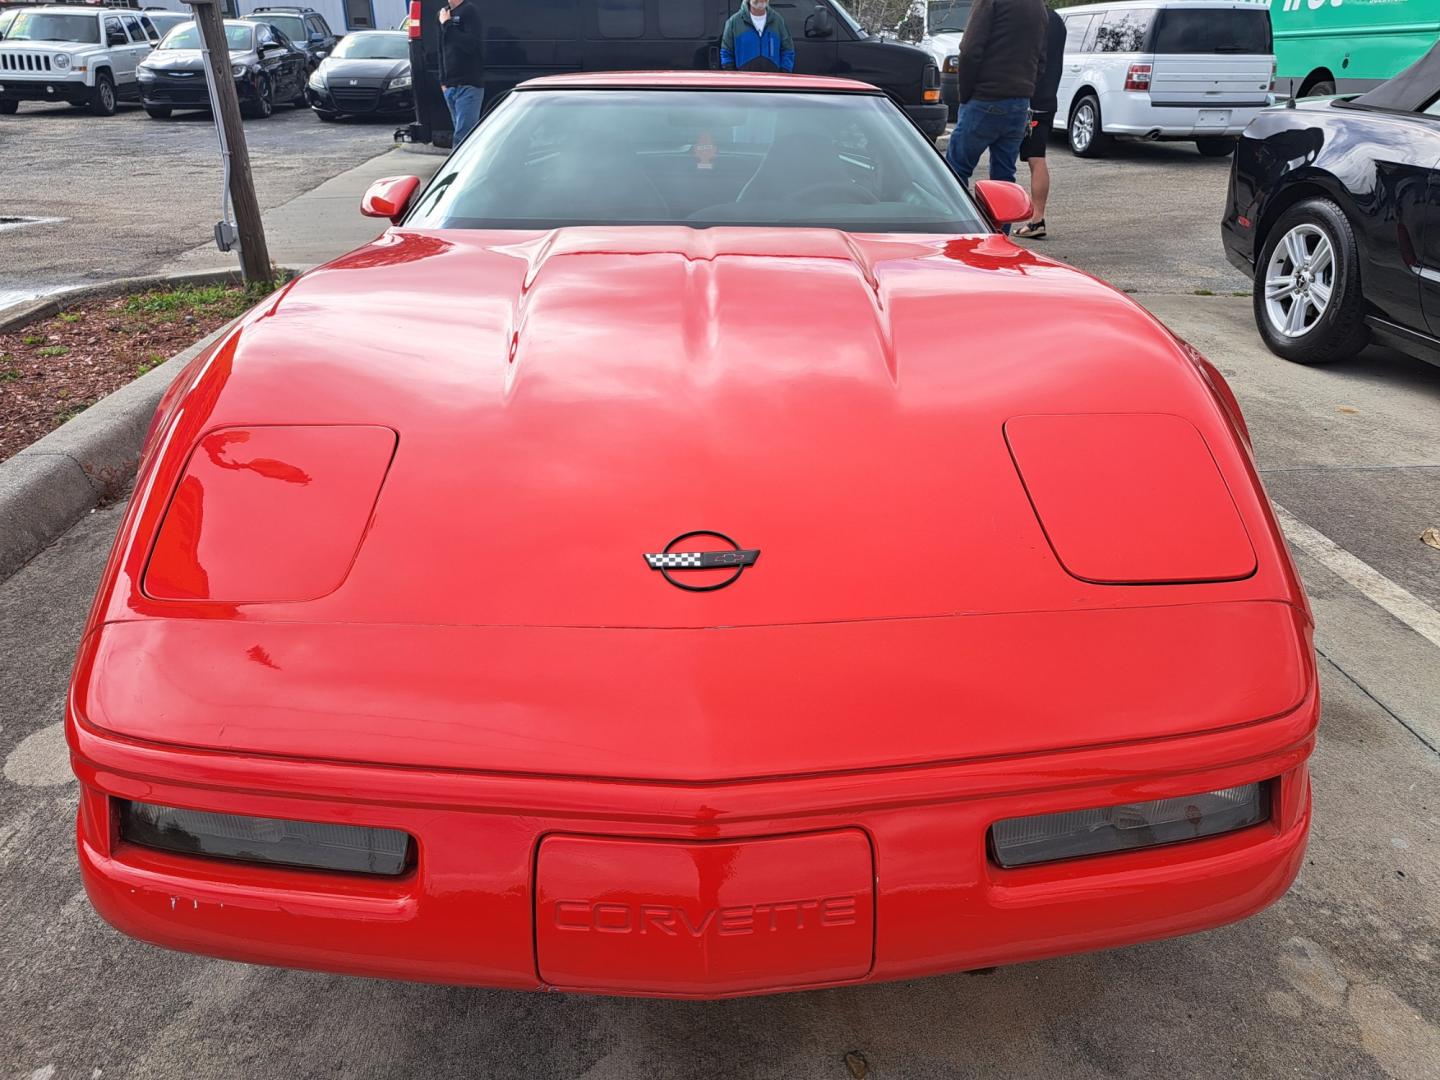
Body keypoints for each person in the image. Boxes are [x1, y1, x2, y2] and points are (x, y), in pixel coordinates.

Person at [945, 0, 1047, 194]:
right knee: (1004, 180)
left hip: (985, 98)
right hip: (1019, 103)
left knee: (954, 172)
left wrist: (965, 95)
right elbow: (1041, 60)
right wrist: (1025, 88)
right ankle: (998, 225)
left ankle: (956, 223)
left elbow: (969, 51)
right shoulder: (1038, 6)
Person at [1014, 8, 1066, 239]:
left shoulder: (1029, 14)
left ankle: (1032, 219)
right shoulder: (1056, 19)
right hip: (1047, 98)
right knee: (1038, 158)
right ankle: (1037, 220)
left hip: (1026, 97)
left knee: (1008, 156)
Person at [438, 0, 484, 145]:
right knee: (460, 132)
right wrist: (443, 81)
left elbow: (470, 45)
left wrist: (447, 25)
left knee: (463, 136)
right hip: (450, 86)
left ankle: (456, 168)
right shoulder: (443, 13)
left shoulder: (469, 11)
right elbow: (442, 49)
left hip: (468, 85)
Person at [720, 0, 795, 73]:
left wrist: (783, 73)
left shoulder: (778, 21)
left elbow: (788, 50)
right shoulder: (734, 22)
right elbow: (726, 53)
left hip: (773, 82)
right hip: (744, 83)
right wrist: (734, 76)